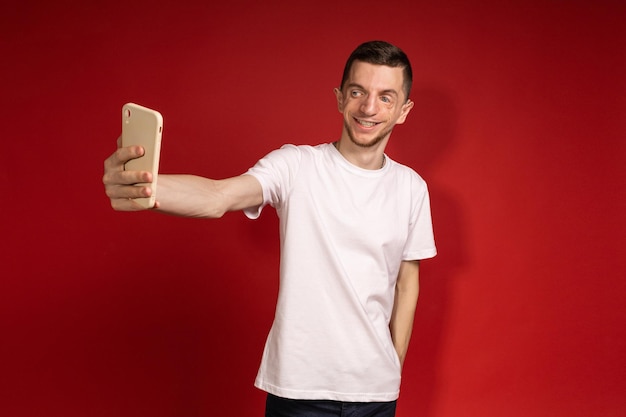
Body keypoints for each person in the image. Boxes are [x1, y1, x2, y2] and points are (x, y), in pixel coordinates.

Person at [103, 40, 436, 417]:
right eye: (358, 92)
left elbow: (408, 281)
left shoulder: (411, 187)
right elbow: (219, 196)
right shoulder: (296, 165)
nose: (369, 108)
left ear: (404, 110)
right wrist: (148, 185)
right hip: (299, 388)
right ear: (340, 98)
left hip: (376, 392)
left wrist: (393, 364)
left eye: (386, 97)